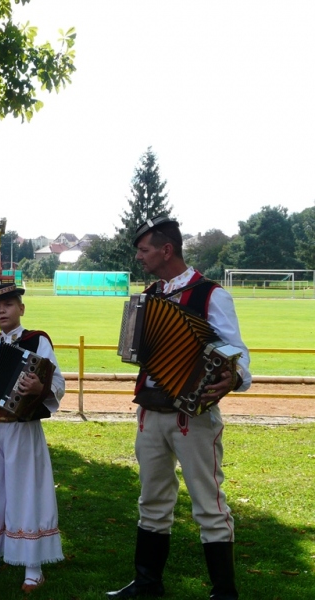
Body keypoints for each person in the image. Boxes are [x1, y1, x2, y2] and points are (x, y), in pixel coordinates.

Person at [106, 216, 251, 600]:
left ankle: (224, 592)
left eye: (144, 250)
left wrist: (233, 378)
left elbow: (237, 353)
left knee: (208, 501)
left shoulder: (210, 294)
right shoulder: (151, 293)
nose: (139, 257)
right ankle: (148, 583)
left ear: (166, 250)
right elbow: (133, 349)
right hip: (151, 410)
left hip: (194, 414)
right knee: (151, 499)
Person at [0, 283, 65, 593]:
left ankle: (33, 566)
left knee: (25, 490)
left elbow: (55, 380)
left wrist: (39, 388)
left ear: (21, 308)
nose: (1, 310)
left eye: (8, 304)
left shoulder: (37, 341)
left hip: (21, 425)